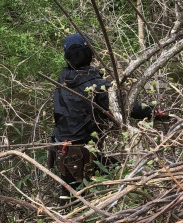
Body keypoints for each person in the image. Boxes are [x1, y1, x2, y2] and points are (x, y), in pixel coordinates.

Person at [49, 32, 168, 202]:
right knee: (126, 175)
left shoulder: (63, 82)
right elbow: (128, 106)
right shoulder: (95, 84)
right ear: (89, 53)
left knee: (69, 199)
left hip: (61, 151)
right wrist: (155, 113)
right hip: (81, 154)